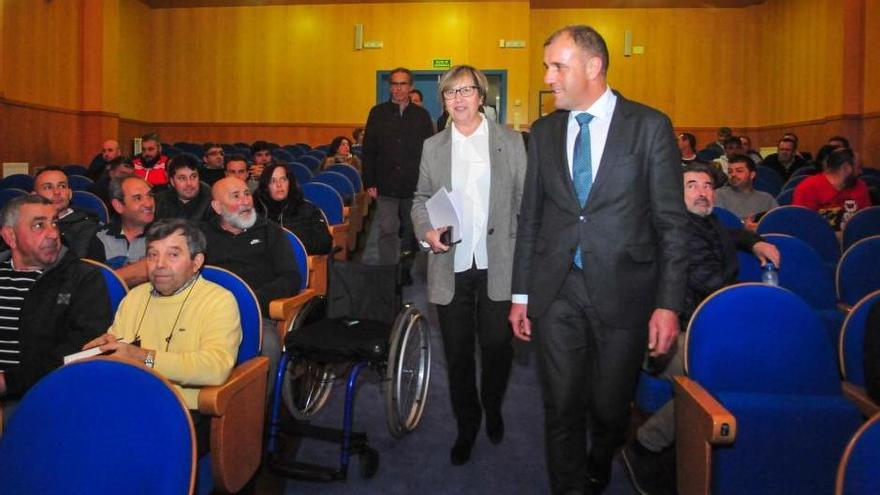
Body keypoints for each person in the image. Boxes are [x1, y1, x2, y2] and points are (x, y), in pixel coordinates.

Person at [508, 25, 690, 494]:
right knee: (561, 405)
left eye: (557, 66)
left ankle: (600, 456)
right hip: (557, 290)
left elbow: (672, 223)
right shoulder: (545, 132)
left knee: (609, 408)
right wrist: (521, 293)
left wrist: (668, 304)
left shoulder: (649, 127)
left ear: (593, 67)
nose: (548, 77)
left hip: (626, 294)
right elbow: (530, 218)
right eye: (548, 66)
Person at [621, 163, 780, 495]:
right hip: (665, 337)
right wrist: (752, 305)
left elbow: (733, 234)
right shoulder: (669, 232)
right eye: (692, 185)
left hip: (709, 332)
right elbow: (709, 284)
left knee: (752, 366)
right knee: (724, 372)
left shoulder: (713, 224)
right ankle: (645, 447)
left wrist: (756, 242)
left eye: (707, 186)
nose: (702, 192)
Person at [411, 65, 527, 466]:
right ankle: (468, 422)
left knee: (496, 347)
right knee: (458, 354)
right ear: (442, 101)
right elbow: (420, 198)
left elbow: (524, 206)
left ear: (481, 96)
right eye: (449, 93)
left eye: (465, 91)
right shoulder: (433, 146)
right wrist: (426, 231)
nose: (457, 99)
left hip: (499, 264)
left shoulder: (511, 142)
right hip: (450, 264)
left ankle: (492, 403)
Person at [83, 219, 241, 456]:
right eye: (152, 255)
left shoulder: (219, 301)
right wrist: (101, 351)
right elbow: (121, 348)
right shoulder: (135, 297)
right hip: (130, 403)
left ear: (196, 262)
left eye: (173, 255)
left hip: (184, 412)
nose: (159, 265)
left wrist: (143, 357)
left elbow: (215, 367)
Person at [0, 195, 112, 422]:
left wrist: (8, 382)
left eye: (54, 223)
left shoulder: (82, 279)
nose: (52, 233)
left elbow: (80, 351)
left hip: (40, 396)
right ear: (10, 236)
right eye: (39, 225)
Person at [201, 177, 301, 396]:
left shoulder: (271, 232)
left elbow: (291, 278)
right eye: (236, 196)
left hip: (254, 314)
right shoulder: (200, 235)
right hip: (206, 314)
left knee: (269, 346)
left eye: (247, 194)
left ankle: (255, 420)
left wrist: (250, 299)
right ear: (217, 207)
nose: (246, 201)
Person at [362, 67, 435, 275]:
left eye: (403, 84)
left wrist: (427, 182)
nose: (398, 88)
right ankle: (388, 273)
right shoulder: (377, 113)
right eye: (394, 84)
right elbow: (369, 150)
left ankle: (406, 269)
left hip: (414, 185)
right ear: (390, 86)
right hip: (385, 184)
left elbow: (429, 152)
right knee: (387, 230)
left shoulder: (421, 116)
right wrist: (369, 182)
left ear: (410, 87)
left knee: (413, 232)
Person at [254, 162, 332, 255]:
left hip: (299, 264)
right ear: (266, 187)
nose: (279, 185)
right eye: (272, 181)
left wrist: (294, 243)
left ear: (290, 183)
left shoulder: (307, 209)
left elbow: (325, 244)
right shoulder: (258, 211)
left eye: (283, 179)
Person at [90, 176, 155, 287]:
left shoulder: (164, 234)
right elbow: (93, 284)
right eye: (138, 198)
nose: (148, 204)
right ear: (118, 206)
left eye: (149, 196)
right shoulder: (101, 236)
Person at [793, 147, 872, 230]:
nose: (860, 172)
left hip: (853, 241)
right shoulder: (808, 188)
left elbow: (866, 222)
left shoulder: (860, 186)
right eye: (858, 167)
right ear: (846, 168)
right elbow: (801, 227)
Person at [32, 166, 103, 258]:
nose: (57, 192)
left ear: (70, 194)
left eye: (62, 186)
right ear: (34, 197)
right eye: (48, 187)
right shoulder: (23, 224)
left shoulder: (88, 227)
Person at [714, 154, 778, 230]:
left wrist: (761, 227)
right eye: (730, 171)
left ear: (752, 175)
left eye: (739, 171)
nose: (733, 174)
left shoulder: (767, 199)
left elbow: (778, 224)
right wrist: (744, 227)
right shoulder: (718, 195)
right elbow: (717, 227)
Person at [154, 153, 213, 222]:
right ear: (172, 182)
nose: (189, 183)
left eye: (193, 177)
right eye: (182, 178)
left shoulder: (210, 202)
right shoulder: (159, 202)